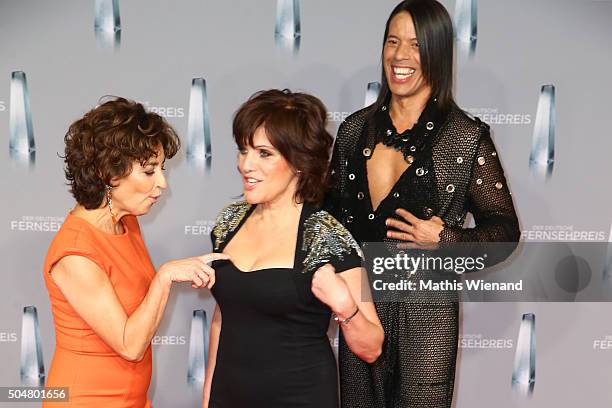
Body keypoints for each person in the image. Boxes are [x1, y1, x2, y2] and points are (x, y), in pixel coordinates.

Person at [324, 1, 520, 407]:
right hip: (361, 308)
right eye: (392, 42)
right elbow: (326, 222)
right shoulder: (354, 130)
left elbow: (505, 233)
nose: (400, 56)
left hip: (427, 316)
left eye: (416, 45)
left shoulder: (464, 137)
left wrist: (445, 238)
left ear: (438, 52)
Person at [202, 89, 384, 408]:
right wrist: (207, 400)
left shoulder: (325, 236)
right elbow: (222, 318)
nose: (246, 165)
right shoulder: (227, 223)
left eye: (264, 153)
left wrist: (345, 307)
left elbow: (371, 347)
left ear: (299, 162)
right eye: (243, 150)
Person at [42, 97, 229, 407]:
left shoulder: (127, 222)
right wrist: (165, 276)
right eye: (149, 172)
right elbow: (130, 345)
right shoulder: (75, 253)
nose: (163, 184)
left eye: (162, 169)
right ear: (108, 173)